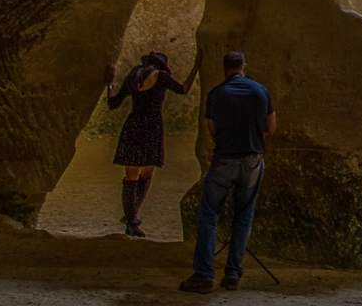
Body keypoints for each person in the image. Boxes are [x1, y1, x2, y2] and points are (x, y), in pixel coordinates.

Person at [180, 50, 276, 293]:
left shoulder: (216, 94)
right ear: (245, 67)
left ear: (225, 69)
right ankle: (232, 274)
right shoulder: (261, 91)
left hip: (224, 161)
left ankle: (204, 275)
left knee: (209, 215)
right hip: (252, 161)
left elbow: (212, 130)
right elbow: (271, 128)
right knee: (243, 217)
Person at [103, 39, 201, 237]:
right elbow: (183, 90)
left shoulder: (133, 76)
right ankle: (131, 218)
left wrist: (109, 82)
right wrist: (196, 68)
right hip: (152, 127)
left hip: (133, 125)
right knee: (146, 175)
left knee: (131, 175)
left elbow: (113, 103)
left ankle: (131, 219)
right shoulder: (162, 77)